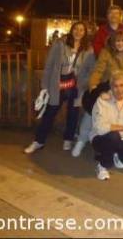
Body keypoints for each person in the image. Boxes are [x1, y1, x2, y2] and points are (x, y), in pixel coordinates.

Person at [25, 21, 94, 154]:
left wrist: (84, 82)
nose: (78, 32)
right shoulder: (60, 44)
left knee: (73, 113)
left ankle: (68, 139)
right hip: (58, 84)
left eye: (81, 30)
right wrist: (45, 86)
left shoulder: (88, 49)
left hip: (76, 86)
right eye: (75, 29)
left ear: (85, 33)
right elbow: (49, 65)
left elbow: (91, 70)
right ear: (71, 30)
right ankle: (38, 141)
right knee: (50, 112)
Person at [72, 31, 123, 157]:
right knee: (92, 111)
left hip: (122, 89)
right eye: (117, 41)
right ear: (112, 42)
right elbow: (98, 71)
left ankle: (113, 145)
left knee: (117, 117)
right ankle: (81, 140)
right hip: (106, 86)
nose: (120, 43)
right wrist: (94, 88)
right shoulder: (106, 52)